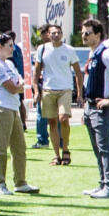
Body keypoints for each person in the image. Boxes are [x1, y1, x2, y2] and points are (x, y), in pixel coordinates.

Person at [79, 17, 109, 200]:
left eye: (87, 33)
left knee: (104, 147)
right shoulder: (93, 54)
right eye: (82, 33)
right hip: (91, 107)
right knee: (97, 148)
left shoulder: (106, 53)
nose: (84, 36)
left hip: (102, 108)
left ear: (97, 35)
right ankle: (103, 183)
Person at [0, 33, 35, 197]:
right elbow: (14, 87)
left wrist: (19, 86)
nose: (13, 48)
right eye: (10, 45)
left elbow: (20, 83)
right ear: (0, 47)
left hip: (13, 108)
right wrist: (20, 86)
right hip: (1, 108)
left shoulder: (10, 64)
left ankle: (20, 182)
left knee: (19, 148)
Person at [35, 22, 79, 168]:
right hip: (48, 89)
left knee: (63, 118)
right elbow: (36, 73)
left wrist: (80, 92)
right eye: (52, 33)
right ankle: (56, 155)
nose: (55, 35)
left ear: (62, 34)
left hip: (65, 89)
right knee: (52, 123)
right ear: (48, 35)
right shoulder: (42, 49)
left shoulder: (69, 50)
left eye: (58, 32)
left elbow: (78, 72)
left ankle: (65, 148)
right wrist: (36, 90)